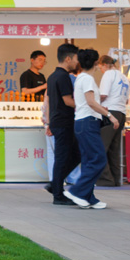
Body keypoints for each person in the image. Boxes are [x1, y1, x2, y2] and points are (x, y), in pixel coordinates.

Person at [63, 49, 118, 210]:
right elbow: (91, 102)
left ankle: (88, 197)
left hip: (83, 122)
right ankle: (77, 192)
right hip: (88, 122)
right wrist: (110, 115)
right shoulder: (87, 79)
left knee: (89, 160)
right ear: (96, 63)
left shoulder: (81, 78)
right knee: (98, 159)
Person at [45, 43, 80, 206]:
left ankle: (55, 184)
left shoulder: (52, 76)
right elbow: (67, 101)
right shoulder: (63, 77)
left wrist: (49, 122)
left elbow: (50, 102)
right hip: (64, 122)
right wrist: (85, 105)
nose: (77, 62)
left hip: (57, 121)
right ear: (68, 59)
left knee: (75, 154)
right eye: (76, 58)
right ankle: (58, 195)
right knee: (62, 157)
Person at [97, 55, 129, 186]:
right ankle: (116, 179)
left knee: (101, 146)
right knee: (114, 149)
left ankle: (105, 179)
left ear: (104, 65)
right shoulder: (124, 77)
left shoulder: (108, 74)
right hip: (121, 113)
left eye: (100, 68)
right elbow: (127, 100)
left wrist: (93, 103)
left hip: (110, 112)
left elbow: (103, 95)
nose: (101, 71)